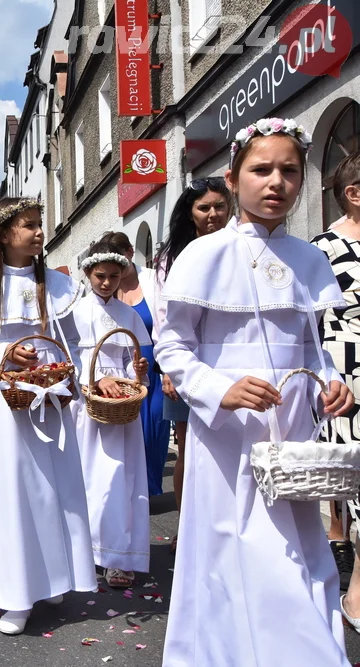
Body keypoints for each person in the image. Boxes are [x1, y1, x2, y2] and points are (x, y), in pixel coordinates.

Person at [157, 118, 354, 665]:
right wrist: (219, 389)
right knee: (232, 546)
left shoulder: (311, 258)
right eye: (261, 169)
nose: (277, 183)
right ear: (233, 175)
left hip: (292, 430)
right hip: (227, 431)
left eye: (289, 171)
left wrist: (331, 384)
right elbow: (171, 345)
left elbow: (312, 345)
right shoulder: (202, 255)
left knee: (296, 551)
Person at [0, 196, 95, 635]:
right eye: (31, 225)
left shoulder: (57, 284)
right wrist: (5, 352)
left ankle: (53, 578)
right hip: (5, 403)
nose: (40, 232)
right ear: (4, 234)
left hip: (50, 398)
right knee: (14, 494)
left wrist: (73, 378)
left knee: (54, 490)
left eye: (41, 224)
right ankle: (16, 591)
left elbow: (72, 341)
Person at [148, 177, 232, 552]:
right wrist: (169, 369)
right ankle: (187, 524)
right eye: (204, 207)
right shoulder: (172, 256)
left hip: (230, 360)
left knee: (230, 445)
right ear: (190, 213)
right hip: (187, 363)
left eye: (219, 206)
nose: (213, 214)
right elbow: (164, 317)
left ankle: (226, 524)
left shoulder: (238, 246)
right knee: (188, 448)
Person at [72, 241, 151, 589]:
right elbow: (70, 358)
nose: (106, 283)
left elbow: (132, 367)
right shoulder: (74, 311)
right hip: (87, 402)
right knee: (87, 476)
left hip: (120, 405)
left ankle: (118, 556)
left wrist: (138, 371)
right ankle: (83, 550)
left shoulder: (128, 315)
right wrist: (93, 379)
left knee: (121, 477)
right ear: (88, 274)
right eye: (100, 276)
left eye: (114, 277)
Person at [312, 150, 360, 624]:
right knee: (352, 468)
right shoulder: (321, 250)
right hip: (345, 372)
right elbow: (308, 324)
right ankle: (354, 585)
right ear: (354, 193)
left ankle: (342, 542)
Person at [104, 232, 171, 500]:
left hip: (152, 363)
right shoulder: (107, 286)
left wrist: (168, 370)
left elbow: (167, 324)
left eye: (121, 259)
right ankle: (130, 492)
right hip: (120, 368)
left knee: (155, 426)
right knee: (128, 430)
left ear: (131, 252)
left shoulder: (153, 281)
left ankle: (150, 490)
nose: (116, 270)